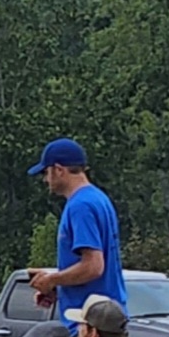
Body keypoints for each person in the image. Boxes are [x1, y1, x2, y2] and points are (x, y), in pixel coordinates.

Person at [27, 138, 126, 326]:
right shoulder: (98, 198)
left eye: (46, 172)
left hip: (89, 323)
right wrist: (60, 288)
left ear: (59, 170)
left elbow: (93, 266)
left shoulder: (80, 206)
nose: (45, 179)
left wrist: (51, 280)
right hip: (106, 316)